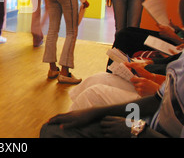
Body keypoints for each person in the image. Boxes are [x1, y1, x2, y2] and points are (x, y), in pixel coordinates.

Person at [40, 51, 184, 138]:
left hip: (151, 131)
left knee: (58, 131)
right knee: (54, 129)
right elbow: (157, 100)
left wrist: (138, 131)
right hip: (151, 121)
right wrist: (95, 112)